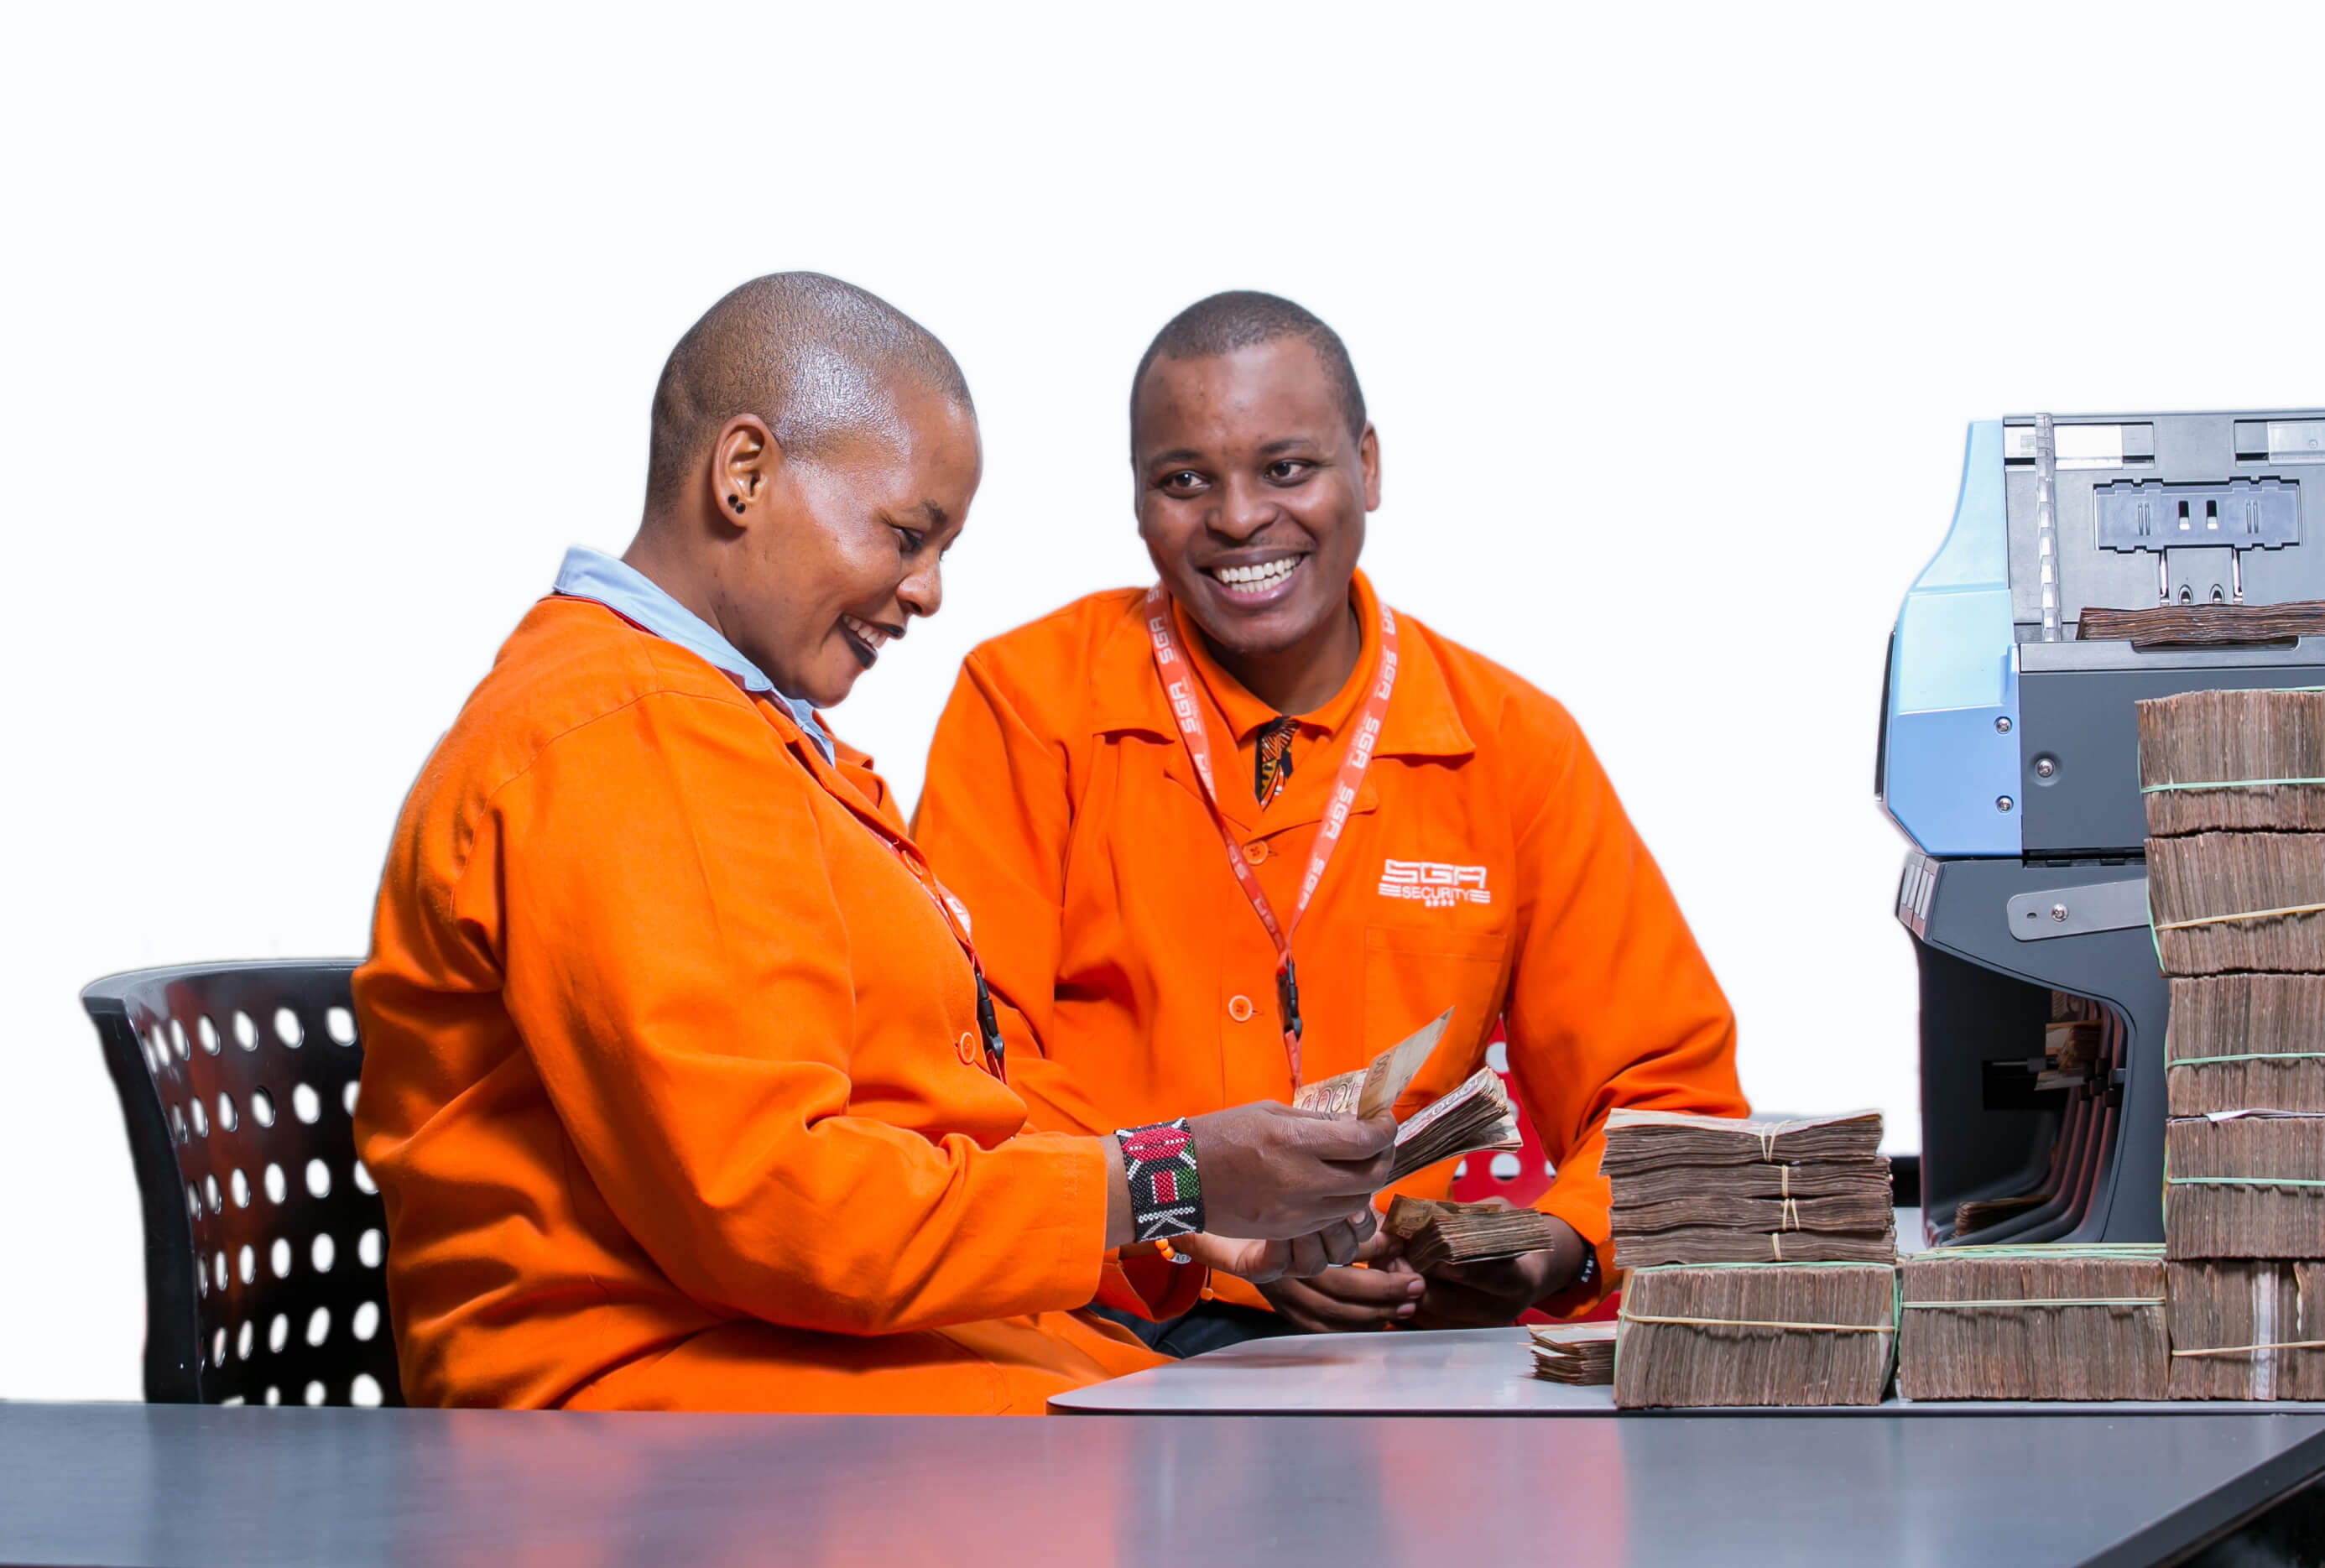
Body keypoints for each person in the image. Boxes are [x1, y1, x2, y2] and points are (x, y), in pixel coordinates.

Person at [351, 273, 1397, 1414]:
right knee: (1269, 1476)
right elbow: (775, 1205)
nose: (930, 591)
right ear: (742, 474)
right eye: (906, 534)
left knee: (1297, 1432)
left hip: (836, 1357)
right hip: (654, 1412)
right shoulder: (622, 736)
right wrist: (1169, 1176)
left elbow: (923, 1106)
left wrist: (1189, 1214)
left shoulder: (735, 731)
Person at [912, 291, 1748, 1354]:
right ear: (1134, 503)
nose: (1237, 518)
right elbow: (967, 1070)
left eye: (1286, 468)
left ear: (1369, 464)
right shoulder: (1028, 705)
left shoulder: (1509, 744)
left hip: (1414, 1349)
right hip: (1100, 1336)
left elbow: (1668, 1094)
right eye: (1183, 481)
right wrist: (1189, 1226)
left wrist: (1554, 1246)